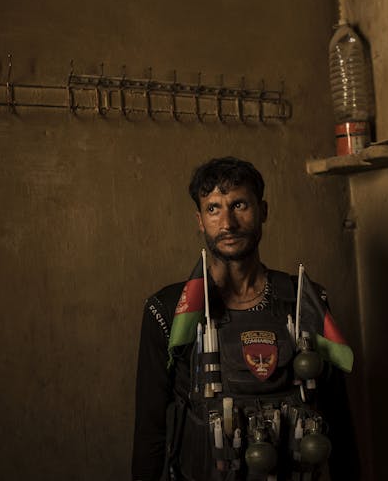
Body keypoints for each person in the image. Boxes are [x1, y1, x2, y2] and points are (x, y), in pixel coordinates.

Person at [132, 157, 359, 481]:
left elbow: (338, 419)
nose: (227, 223)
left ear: (263, 210)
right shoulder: (170, 309)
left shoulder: (304, 300)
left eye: (239, 204)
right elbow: (150, 433)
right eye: (213, 209)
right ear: (200, 220)